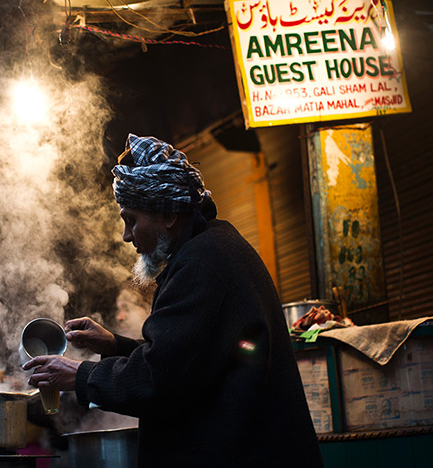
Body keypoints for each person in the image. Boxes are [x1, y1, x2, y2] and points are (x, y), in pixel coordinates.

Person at [23, 134, 324, 467]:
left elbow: (157, 381)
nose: (127, 235)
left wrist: (80, 376)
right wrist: (114, 344)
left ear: (167, 215)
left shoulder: (202, 264)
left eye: (132, 220)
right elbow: (184, 358)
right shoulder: (211, 248)